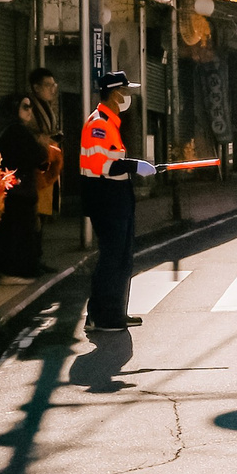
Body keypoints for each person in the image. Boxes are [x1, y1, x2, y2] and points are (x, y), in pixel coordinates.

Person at [79, 69, 156, 332]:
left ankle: (112, 313)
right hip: (106, 197)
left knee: (121, 257)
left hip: (114, 196)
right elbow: (107, 167)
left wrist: (135, 167)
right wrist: (136, 166)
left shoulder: (108, 122)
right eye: (124, 91)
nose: (127, 96)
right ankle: (103, 317)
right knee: (112, 258)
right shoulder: (99, 124)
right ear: (113, 94)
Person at [0, 92, 48, 281]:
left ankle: (7, 270)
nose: (30, 112)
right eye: (25, 107)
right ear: (14, 109)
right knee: (20, 234)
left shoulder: (0, 129)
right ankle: (17, 272)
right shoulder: (16, 131)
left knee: (6, 234)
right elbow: (37, 156)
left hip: (3, 191)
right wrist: (42, 146)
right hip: (18, 194)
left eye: (31, 107)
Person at [26, 67, 66, 223]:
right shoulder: (28, 106)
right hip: (35, 166)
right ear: (36, 87)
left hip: (48, 162)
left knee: (42, 210)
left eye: (54, 85)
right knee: (35, 214)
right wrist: (42, 138)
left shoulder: (47, 106)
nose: (52, 89)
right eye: (48, 85)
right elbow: (26, 132)